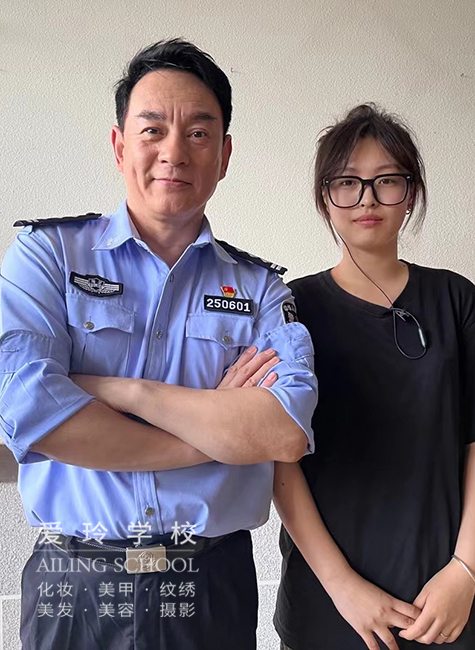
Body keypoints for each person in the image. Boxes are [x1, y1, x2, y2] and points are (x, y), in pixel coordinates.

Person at [0, 39, 317, 650]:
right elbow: (29, 411)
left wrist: (123, 392)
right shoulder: (47, 257)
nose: (174, 152)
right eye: (152, 130)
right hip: (76, 584)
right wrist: (211, 439)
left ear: (224, 156)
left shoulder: (261, 290)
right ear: (120, 145)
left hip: (208, 584)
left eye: (199, 133)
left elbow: (281, 430)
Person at [273, 104, 475, 650]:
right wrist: (342, 587)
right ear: (325, 198)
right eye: (347, 182)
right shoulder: (290, 309)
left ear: (410, 194)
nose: (367, 199)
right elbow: (277, 459)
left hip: (446, 602)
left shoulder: (456, 299)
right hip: (328, 603)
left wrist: (466, 570)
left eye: (386, 181)